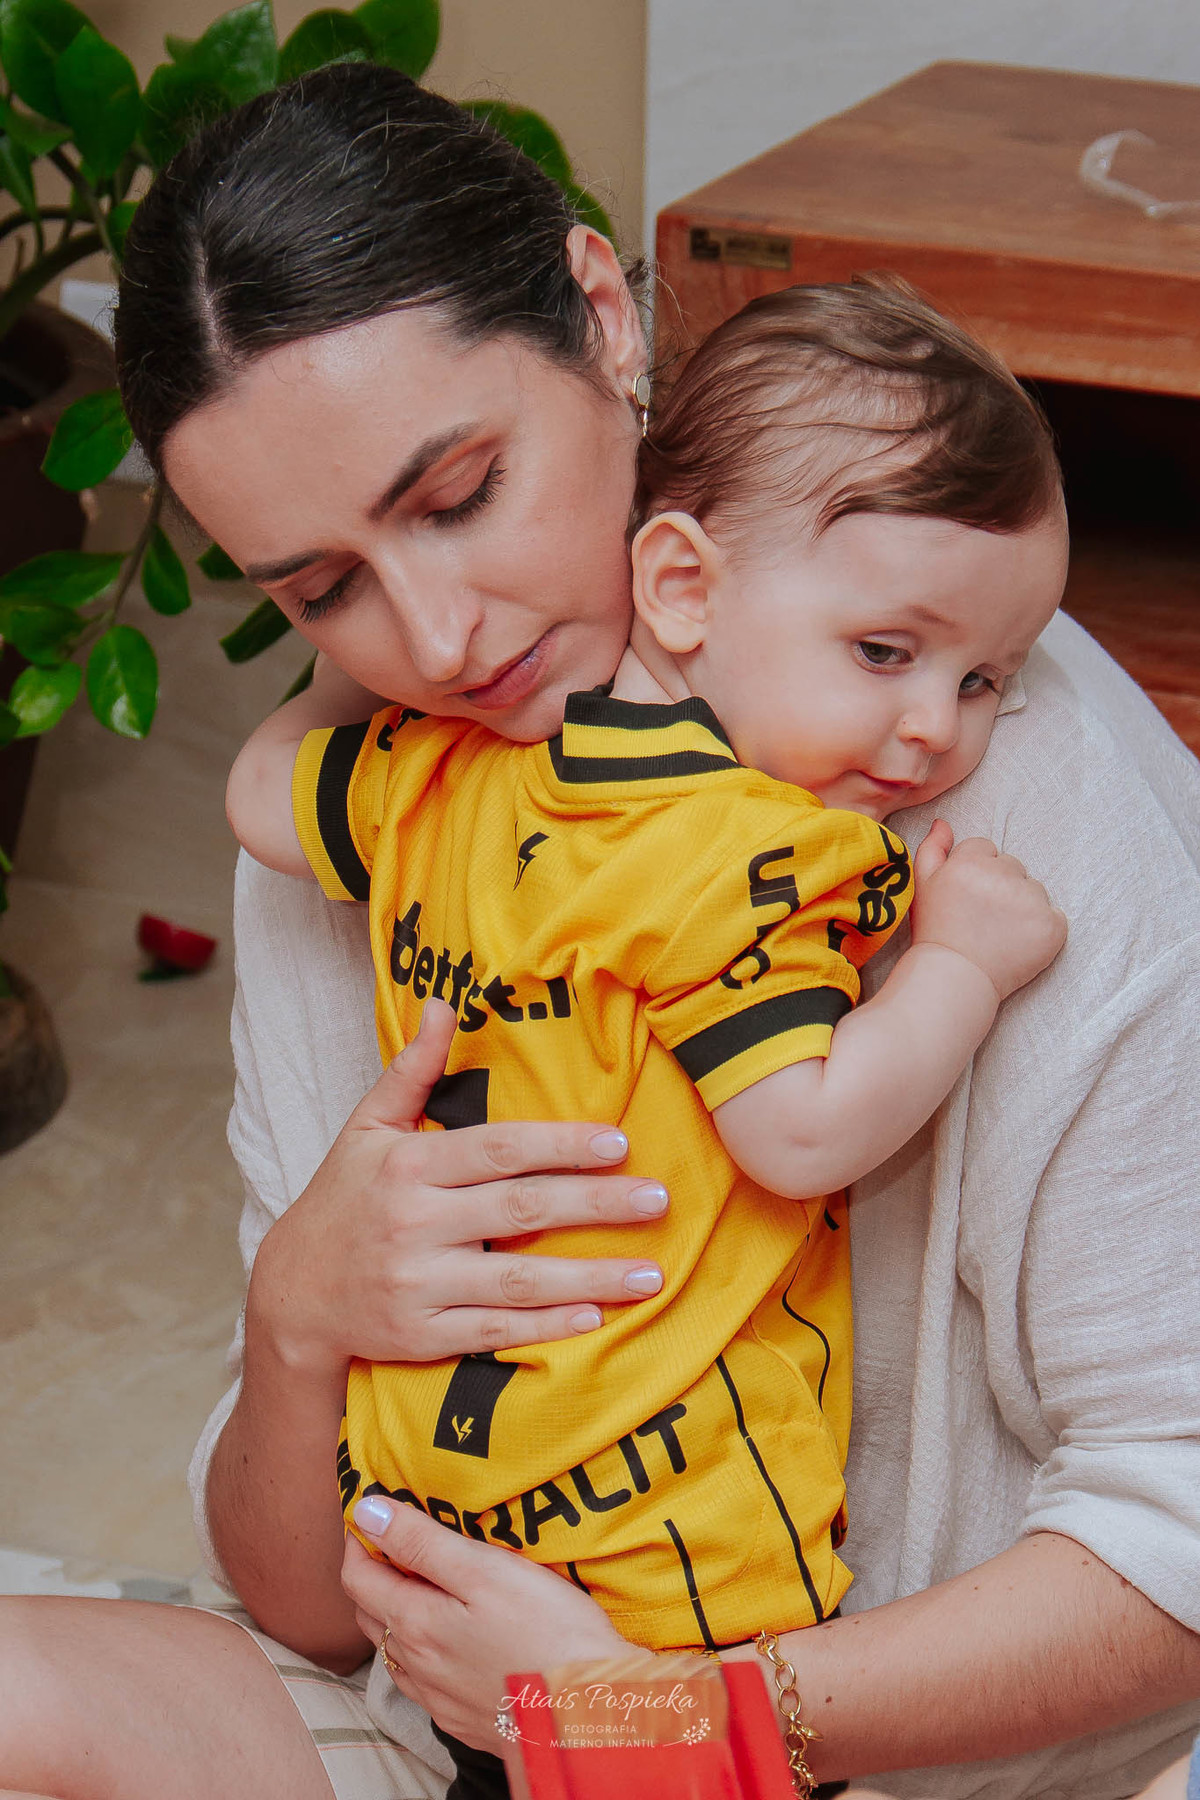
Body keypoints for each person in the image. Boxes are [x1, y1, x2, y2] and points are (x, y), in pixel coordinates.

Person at [1, 60, 1197, 1800]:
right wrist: (297, 1318)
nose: (438, 638)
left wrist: (655, 1719)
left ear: (604, 316)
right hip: (475, 1743)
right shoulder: (389, 790)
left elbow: (1181, 1541)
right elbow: (308, 1616)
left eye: (460, 492)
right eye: (324, 588)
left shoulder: (985, 767)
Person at [223, 276, 1067, 1794]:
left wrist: (372, 639)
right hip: (668, 1579)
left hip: (445, 1530)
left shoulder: (433, 780)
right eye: (886, 654)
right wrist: (958, 967)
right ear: (680, 587)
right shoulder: (754, 850)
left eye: (985, 678)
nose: (937, 731)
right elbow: (803, 1127)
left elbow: (255, 795)